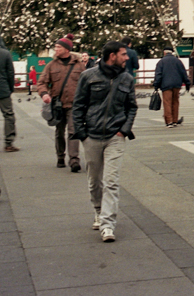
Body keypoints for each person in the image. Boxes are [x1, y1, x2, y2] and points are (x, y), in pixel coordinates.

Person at [71, 41, 138, 243]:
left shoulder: (127, 78)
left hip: (114, 137)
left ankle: (108, 224)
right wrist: (82, 133)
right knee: (94, 181)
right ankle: (99, 211)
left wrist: (123, 130)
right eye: (123, 54)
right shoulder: (88, 76)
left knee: (111, 180)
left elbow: (132, 107)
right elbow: (78, 106)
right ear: (112, 56)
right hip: (91, 136)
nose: (127, 58)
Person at [39, 37, 86, 168]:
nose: (56, 49)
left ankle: (74, 160)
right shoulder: (51, 65)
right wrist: (44, 94)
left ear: (66, 49)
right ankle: (60, 156)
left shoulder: (79, 65)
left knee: (73, 130)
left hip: (74, 104)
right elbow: (42, 82)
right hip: (57, 105)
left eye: (58, 47)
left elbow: (87, 83)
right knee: (59, 132)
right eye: (55, 47)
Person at [152, 43, 189, 128]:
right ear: (172, 52)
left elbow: (158, 75)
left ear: (164, 52)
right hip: (177, 85)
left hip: (166, 85)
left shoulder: (161, 62)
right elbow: (184, 73)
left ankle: (169, 121)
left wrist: (156, 86)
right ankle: (175, 120)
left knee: (167, 102)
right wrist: (187, 83)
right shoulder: (178, 61)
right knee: (175, 102)